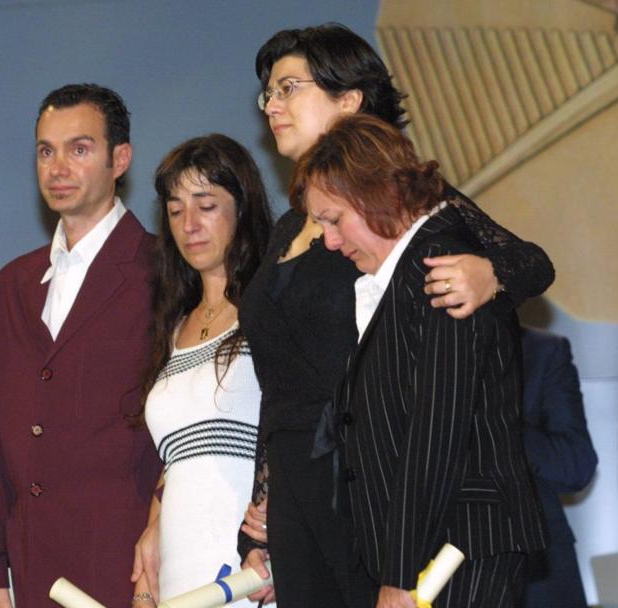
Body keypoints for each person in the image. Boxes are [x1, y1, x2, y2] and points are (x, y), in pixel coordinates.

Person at [234, 24, 554, 607]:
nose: (271, 106)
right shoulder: (287, 227)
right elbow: (276, 382)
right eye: (266, 94)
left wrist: (492, 273)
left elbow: (528, 260)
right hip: (304, 483)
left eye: (287, 88)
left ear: (350, 100)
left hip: (387, 491)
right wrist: (262, 504)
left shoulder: (415, 215)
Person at [297, 113, 546, 607]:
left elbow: (437, 428)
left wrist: (400, 572)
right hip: (434, 548)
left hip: (457, 546)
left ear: (380, 196)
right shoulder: (408, 271)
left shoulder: (439, 267)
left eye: (334, 219)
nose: (327, 240)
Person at [0, 83, 161, 608]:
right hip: (27, 573)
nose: (58, 168)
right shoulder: (7, 286)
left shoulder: (164, 273)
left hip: (129, 565)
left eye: (79, 149)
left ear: (120, 159)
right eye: (46, 151)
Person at [131, 134, 273, 606]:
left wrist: (276, 529)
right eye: (175, 211)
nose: (189, 224)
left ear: (243, 207)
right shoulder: (173, 327)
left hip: (250, 567)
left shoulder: (272, 308)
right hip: (181, 569)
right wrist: (152, 533)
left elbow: (305, 425)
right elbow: (178, 458)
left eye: (206, 205)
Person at [520, 327, 597, 607]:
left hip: (535, 573)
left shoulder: (542, 352)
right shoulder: (405, 351)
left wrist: (498, 419)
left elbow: (577, 465)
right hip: (424, 556)